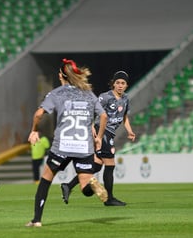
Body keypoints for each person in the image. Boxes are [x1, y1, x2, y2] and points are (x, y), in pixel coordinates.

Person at [26, 58, 108, 227]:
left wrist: (34, 130)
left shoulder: (56, 93)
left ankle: (37, 220)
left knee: (45, 180)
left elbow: (39, 114)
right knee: (85, 186)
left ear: (61, 76)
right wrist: (98, 137)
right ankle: (92, 184)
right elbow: (104, 116)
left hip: (62, 145)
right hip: (83, 146)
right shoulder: (88, 94)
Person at [60, 71, 136, 206]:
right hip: (101, 132)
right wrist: (91, 128)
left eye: (122, 83)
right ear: (113, 84)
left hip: (109, 133)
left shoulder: (125, 99)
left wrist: (130, 131)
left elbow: (124, 117)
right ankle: (109, 199)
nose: (120, 85)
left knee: (95, 167)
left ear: (126, 85)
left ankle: (68, 185)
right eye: (117, 82)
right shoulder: (105, 97)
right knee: (110, 165)